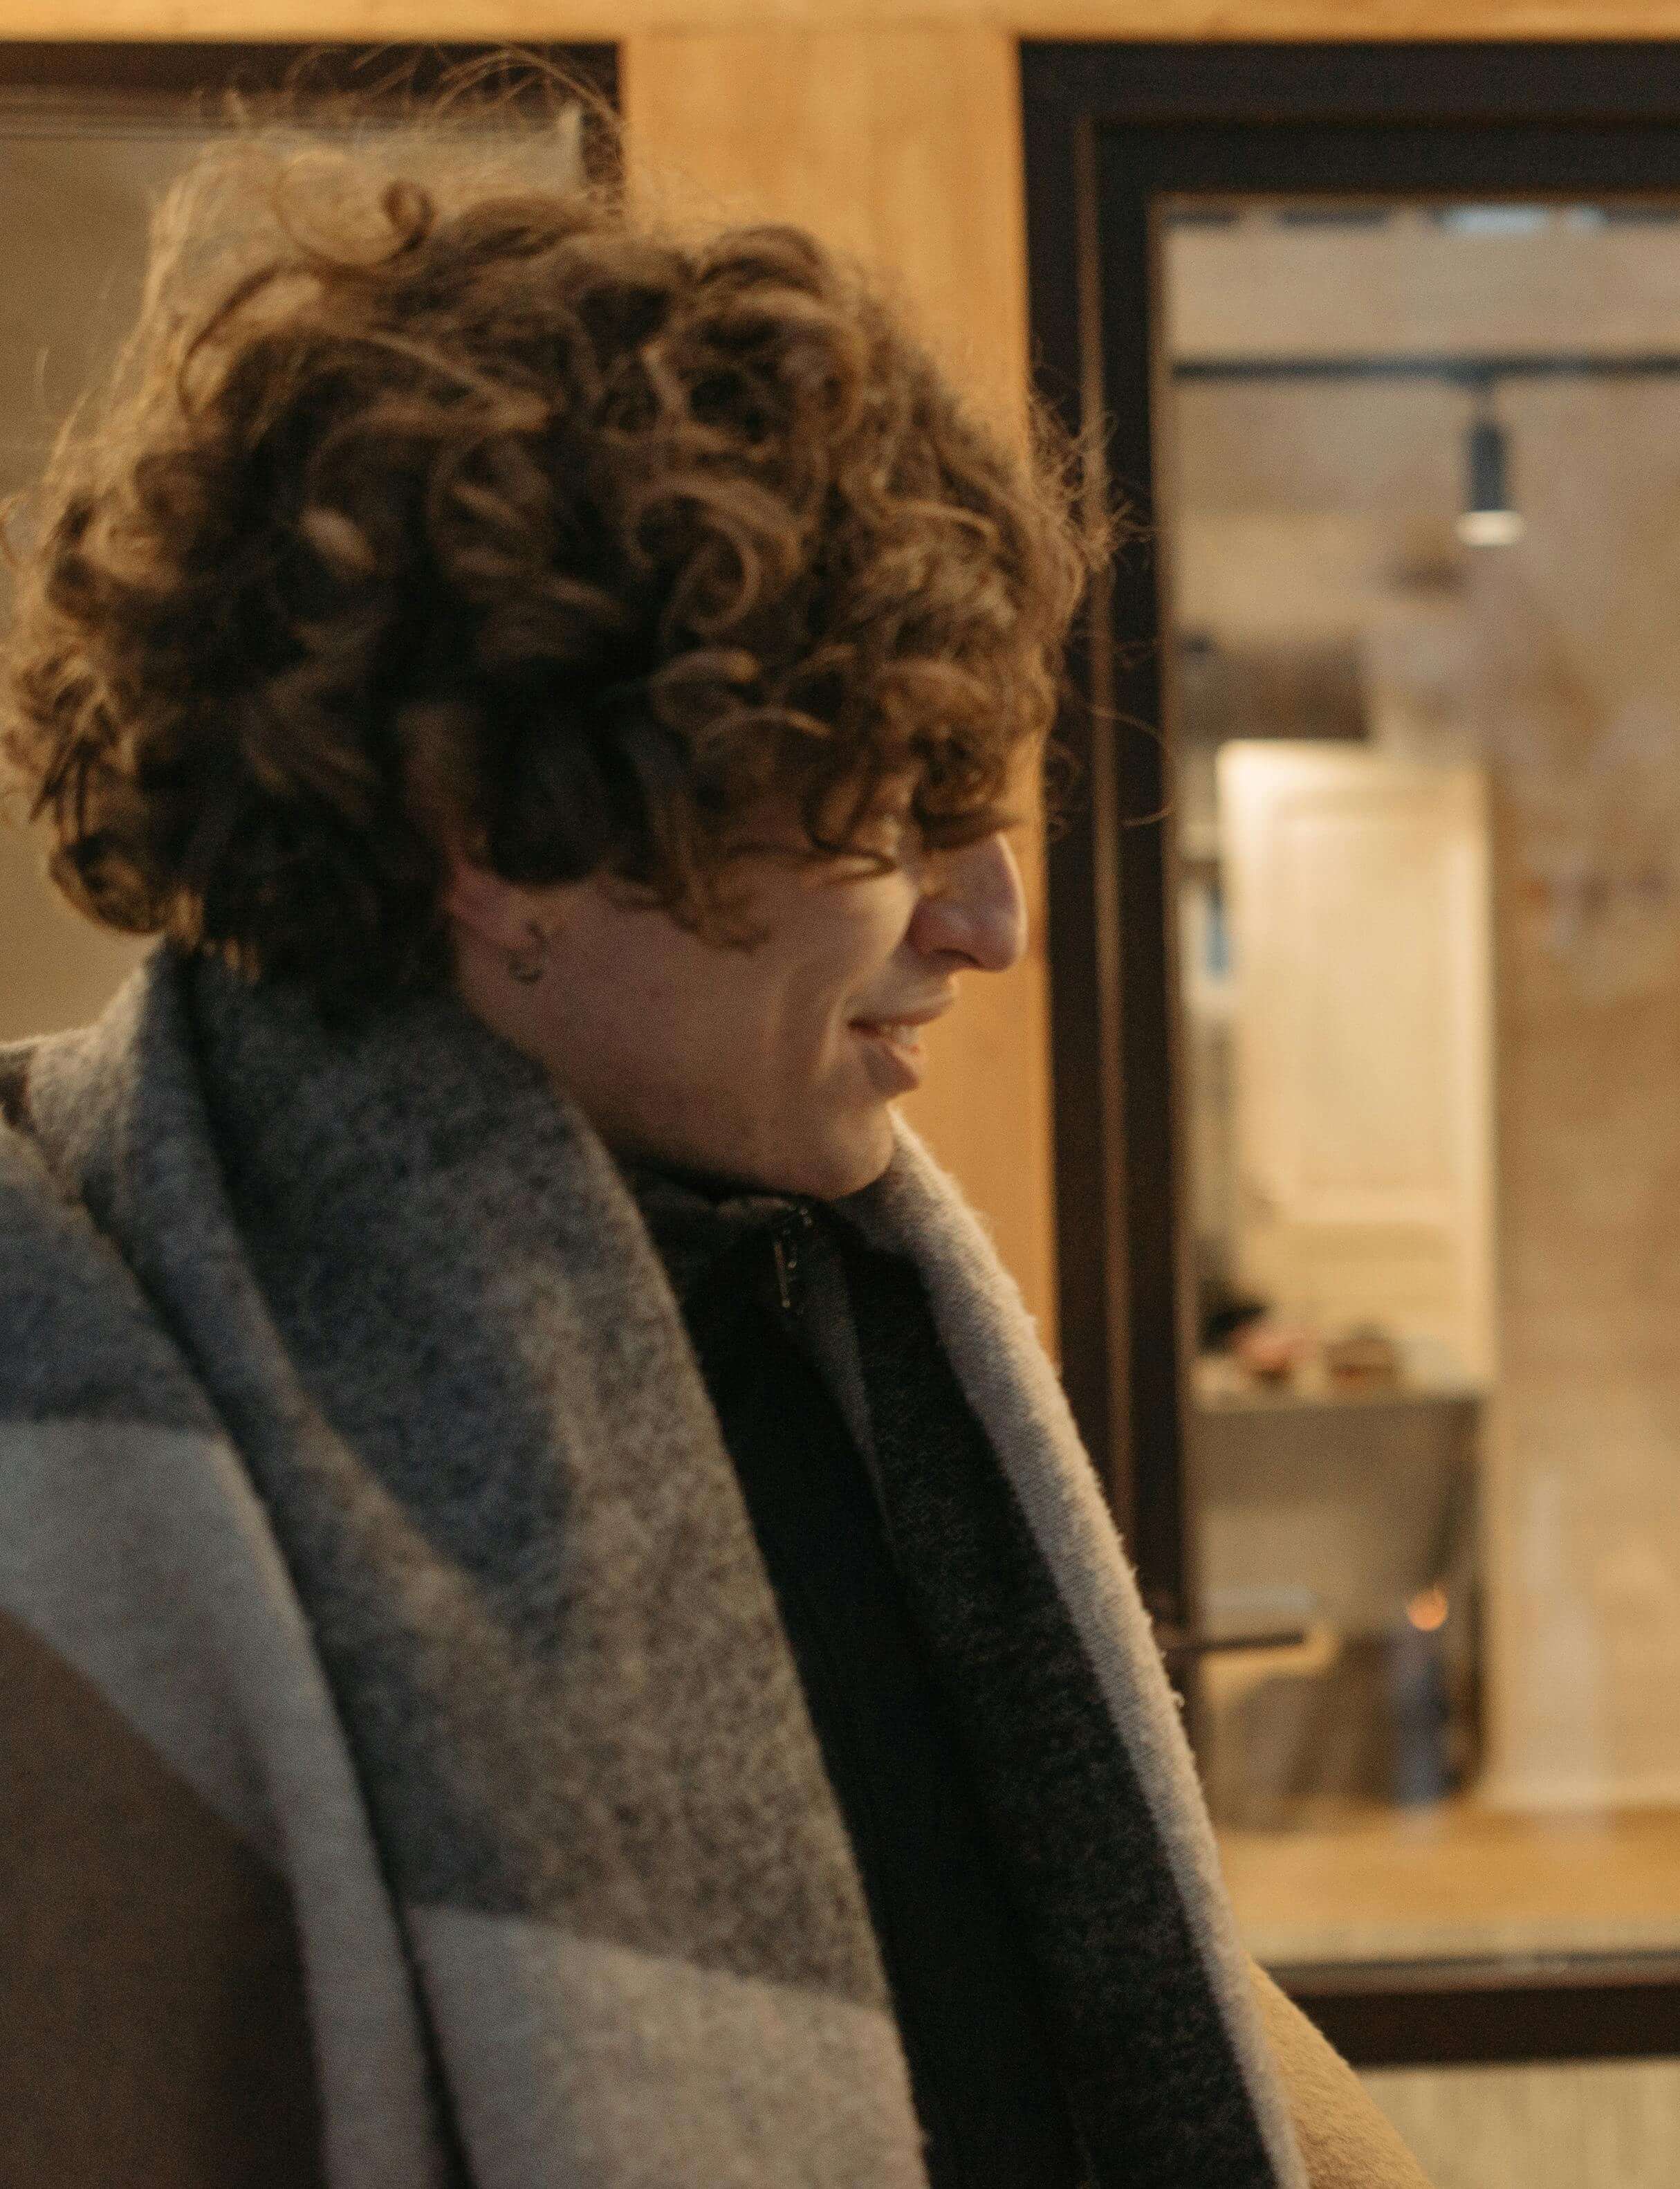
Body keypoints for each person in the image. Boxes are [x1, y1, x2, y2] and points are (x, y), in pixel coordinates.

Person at [0, 130, 1425, 2189]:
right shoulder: (75, 1407)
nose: (989, 919)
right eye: (899, 809)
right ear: (514, 834)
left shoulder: (798, 1303)